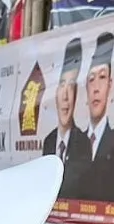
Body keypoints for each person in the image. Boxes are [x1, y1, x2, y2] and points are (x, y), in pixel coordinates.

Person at [42, 38, 92, 200]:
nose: (65, 96)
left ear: (76, 93)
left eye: (71, 86)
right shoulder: (49, 141)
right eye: (61, 85)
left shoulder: (83, 143)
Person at [84, 32, 114, 188]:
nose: (96, 89)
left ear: (110, 85)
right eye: (91, 79)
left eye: (102, 77)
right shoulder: (75, 144)